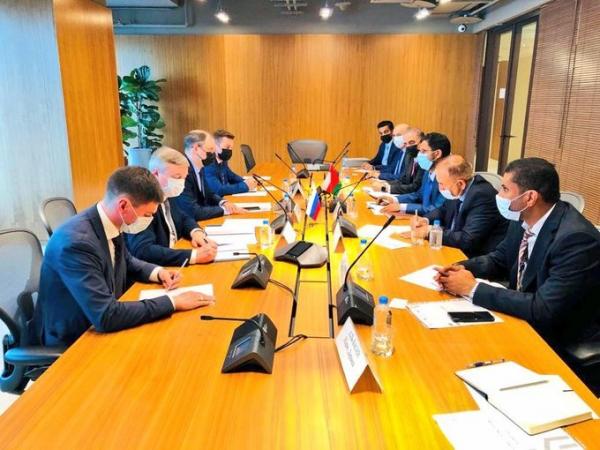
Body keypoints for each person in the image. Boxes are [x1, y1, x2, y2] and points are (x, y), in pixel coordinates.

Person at [435, 158, 600, 386]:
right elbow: (500, 258)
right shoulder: (523, 217)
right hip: (522, 315)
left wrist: (472, 288)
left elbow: (544, 309)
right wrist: (460, 267)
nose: (498, 195)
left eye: (504, 189)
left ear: (529, 197)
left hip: (558, 334)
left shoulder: (576, 239)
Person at [34, 166, 215, 347]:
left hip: (99, 323)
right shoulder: (77, 243)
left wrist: (158, 273)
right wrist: (173, 302)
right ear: (123, 206)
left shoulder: (108, 219)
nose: (150, 220)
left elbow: (127, 260)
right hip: (76, 339)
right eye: (147, 215)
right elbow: (106, 315)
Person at [126, 146, 218, 266]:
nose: (181, 183)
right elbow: (143, 250)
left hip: (173, 259)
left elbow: (183, 218)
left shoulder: (168, 194)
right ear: (155, 174)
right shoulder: (141, 203)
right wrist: (193, 256)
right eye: (177, 177)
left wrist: (195, 232)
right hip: (158, 269)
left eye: (184, 178)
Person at [408, 155, 508, 257]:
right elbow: (443, 210)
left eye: (442, 184)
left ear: (461, 184)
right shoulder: (457, 189)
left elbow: (467, 240)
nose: (440, 188)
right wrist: (425, 220)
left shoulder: (482, 196)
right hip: (452, 249)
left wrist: (429, 231)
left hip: (473, 257)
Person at [174, 129, 247, 221]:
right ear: (196, 148)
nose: (213, 154)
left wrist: (223, 203)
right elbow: (193, 211)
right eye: (210, 150)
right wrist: (225, 210)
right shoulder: (182, 172)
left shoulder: (199, 166)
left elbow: (209, 194)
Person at [380, 132, 451, 215]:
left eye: (423, 151)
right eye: (420, 151)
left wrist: (402, 207)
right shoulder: (428, 171)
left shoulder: (448, 178)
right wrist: (394, 200)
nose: (419, 155)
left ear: (437, 154)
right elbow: (418, 195)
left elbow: (436, 209)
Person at [204, 129, 257, 196]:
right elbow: (219, 190)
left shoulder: (222, 160)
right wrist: (245, 186)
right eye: (227, 147)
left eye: (231, 148)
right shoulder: (207, 164)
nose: (229, 151)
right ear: (215, 146)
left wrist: (247, 182)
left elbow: (231, 176)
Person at [370, 127, 424, 193]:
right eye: (406, 143)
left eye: (411, 142)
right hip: (404, 192)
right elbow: (404, 179)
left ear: (422, 142)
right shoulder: (409, 156)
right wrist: (385, 184)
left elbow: (415, 187)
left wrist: (386, 188)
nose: (408, 146)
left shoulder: (424, 161)